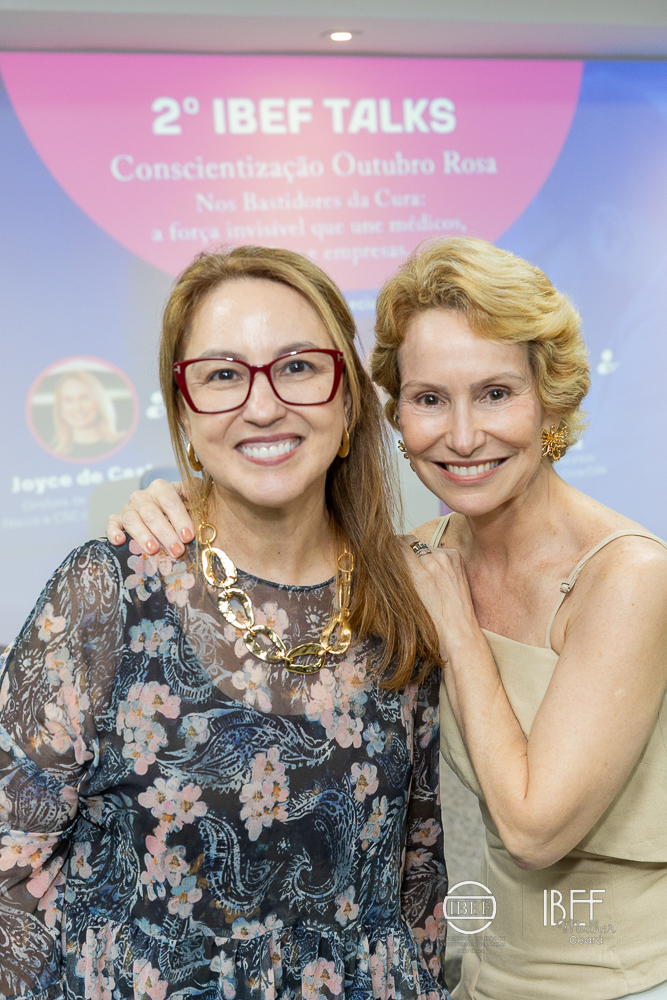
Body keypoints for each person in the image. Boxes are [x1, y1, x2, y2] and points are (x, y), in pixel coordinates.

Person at [112, 238, 667, 1000]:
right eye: (429, 399)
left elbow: (533, 831)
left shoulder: (628, 577)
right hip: (478, 980)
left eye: (495, 393)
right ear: (394, 414)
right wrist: (176, 506)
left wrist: (458, 631)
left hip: (629, 982)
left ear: (550, 398)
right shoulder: (410, 563)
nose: (462, 436)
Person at [0, 246, 449, 1000]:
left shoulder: (404, 594)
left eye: (297, 367)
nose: (263, 406)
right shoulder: (109, 590)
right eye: (221, 375)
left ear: (347, 400)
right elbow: (11, 864)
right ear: (183, 413)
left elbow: (420, 869)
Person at [51, 369, 122, 458]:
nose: (77, 407)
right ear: (60, 407)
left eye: (84, 398)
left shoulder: (123, 444)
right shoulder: (53, 454)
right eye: (68, 400)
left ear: (98, 402)